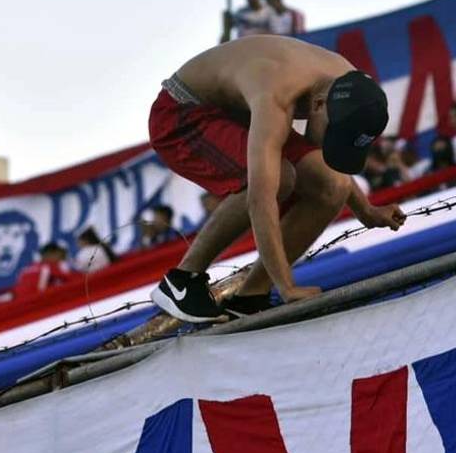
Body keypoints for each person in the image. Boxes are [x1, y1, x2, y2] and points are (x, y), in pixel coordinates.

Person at [147, 35, 405, 322]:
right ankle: (181, 281)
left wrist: (366, 211)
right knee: (279, 178)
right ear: (319, 105)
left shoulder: (350, 85)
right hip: (181, 113)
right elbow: (261, 198)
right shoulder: (278, 95)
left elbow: (331, 171)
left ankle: (251, 296)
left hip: (241, 108)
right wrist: (287, 287)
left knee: (334, 185)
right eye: (332, 136)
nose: (328, 146)